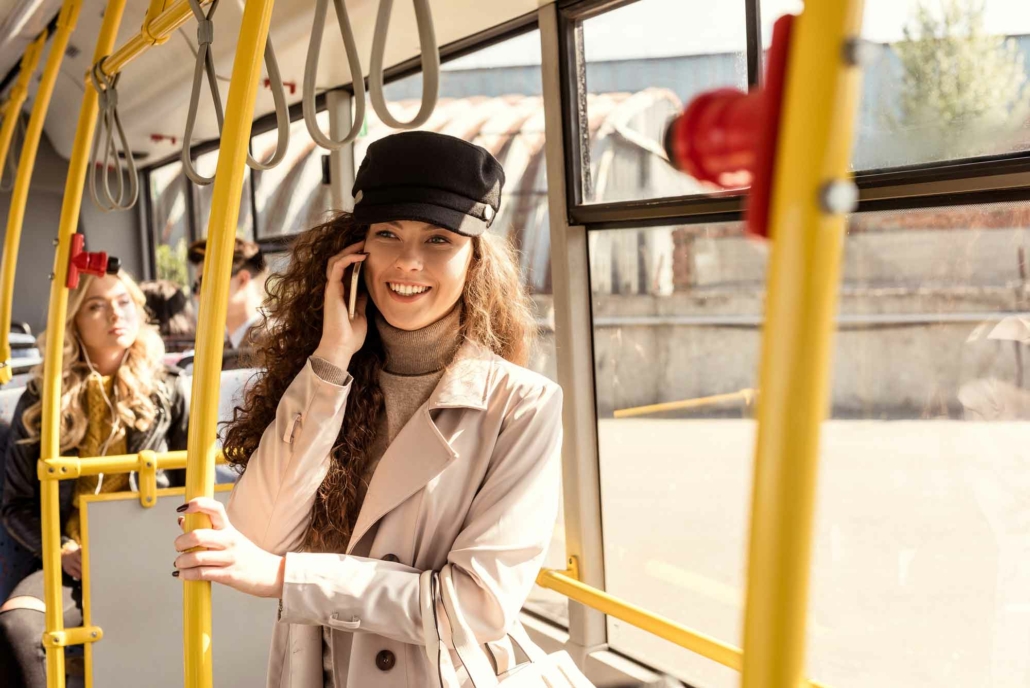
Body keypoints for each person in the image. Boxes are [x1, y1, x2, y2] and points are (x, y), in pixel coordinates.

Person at [172, 131, 563, 687]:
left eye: (438, 240)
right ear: (356, 252)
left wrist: (290, 579)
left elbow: (476, 606)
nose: (407, 261)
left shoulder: (522, 405)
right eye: (387, 234)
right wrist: (332, 358)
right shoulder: (326, 376)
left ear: (475, 260)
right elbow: (260, 536)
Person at [0, 271, 189, 687]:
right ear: (73, 321)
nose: (115, 314)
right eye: (95, 305)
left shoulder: (169, 392)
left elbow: (194, 484)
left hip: (153, 559)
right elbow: (15, 505)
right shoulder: (42, 398)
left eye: (123, 301)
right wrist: (62, 550)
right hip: (72, 566)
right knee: (19, 627)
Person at [187, 237, 268, 352]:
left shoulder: (273, 343)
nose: (198, 296)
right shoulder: (224, 348)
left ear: (242, 280)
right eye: (196, 287)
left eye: (205, 282)